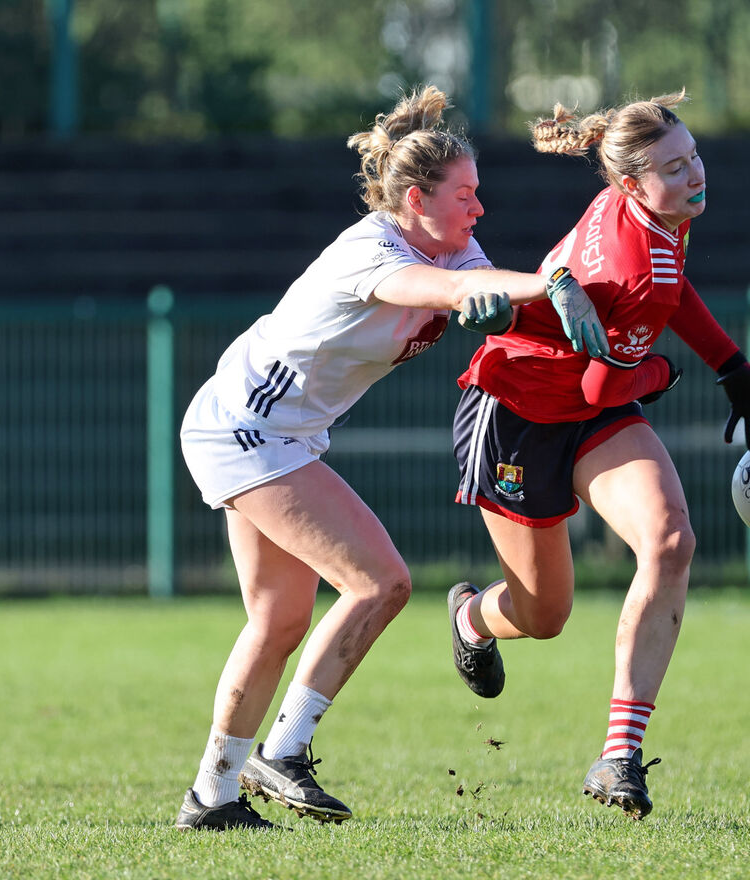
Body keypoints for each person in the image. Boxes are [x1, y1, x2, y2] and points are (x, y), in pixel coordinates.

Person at [173, 85, 608, 831]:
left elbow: (477, 283)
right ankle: (284, 751)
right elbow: (440, 288)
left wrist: (545, 300)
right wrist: (548, 283)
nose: (479, 210)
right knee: (380, 581)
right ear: (416, 197)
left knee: (280, 620)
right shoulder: (371, 249)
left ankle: (210, 799)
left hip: (278, 431)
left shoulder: (455, 245)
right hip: (247, 426)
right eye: (466, 194)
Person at [447, 90, 750, 820]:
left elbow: (666, 300)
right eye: (675, 167)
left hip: (590, 406)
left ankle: (619, 756)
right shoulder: (638, 263)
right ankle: (473, 618)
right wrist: (669, 373)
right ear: (632, 184)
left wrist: (729, 364)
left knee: (670, 542)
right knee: (544, 615)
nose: (696, 174)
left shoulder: (653, 213)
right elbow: (611, 375)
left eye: (694, 155)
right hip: (518, 408)